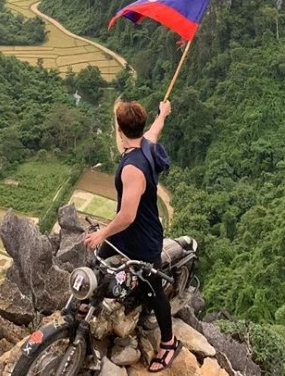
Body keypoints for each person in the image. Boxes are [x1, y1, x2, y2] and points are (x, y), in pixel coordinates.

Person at [84, 99, 178, 372]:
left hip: (142, 238)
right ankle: (86, 308)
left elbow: (127, 216)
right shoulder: (145, 144)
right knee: (98, 265)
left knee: (153, 290)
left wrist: (103, 232)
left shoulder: (132, 169)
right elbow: (155, 130)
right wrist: (163, 113)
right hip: (124, 234)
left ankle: (169, 343)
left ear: (120, 129)